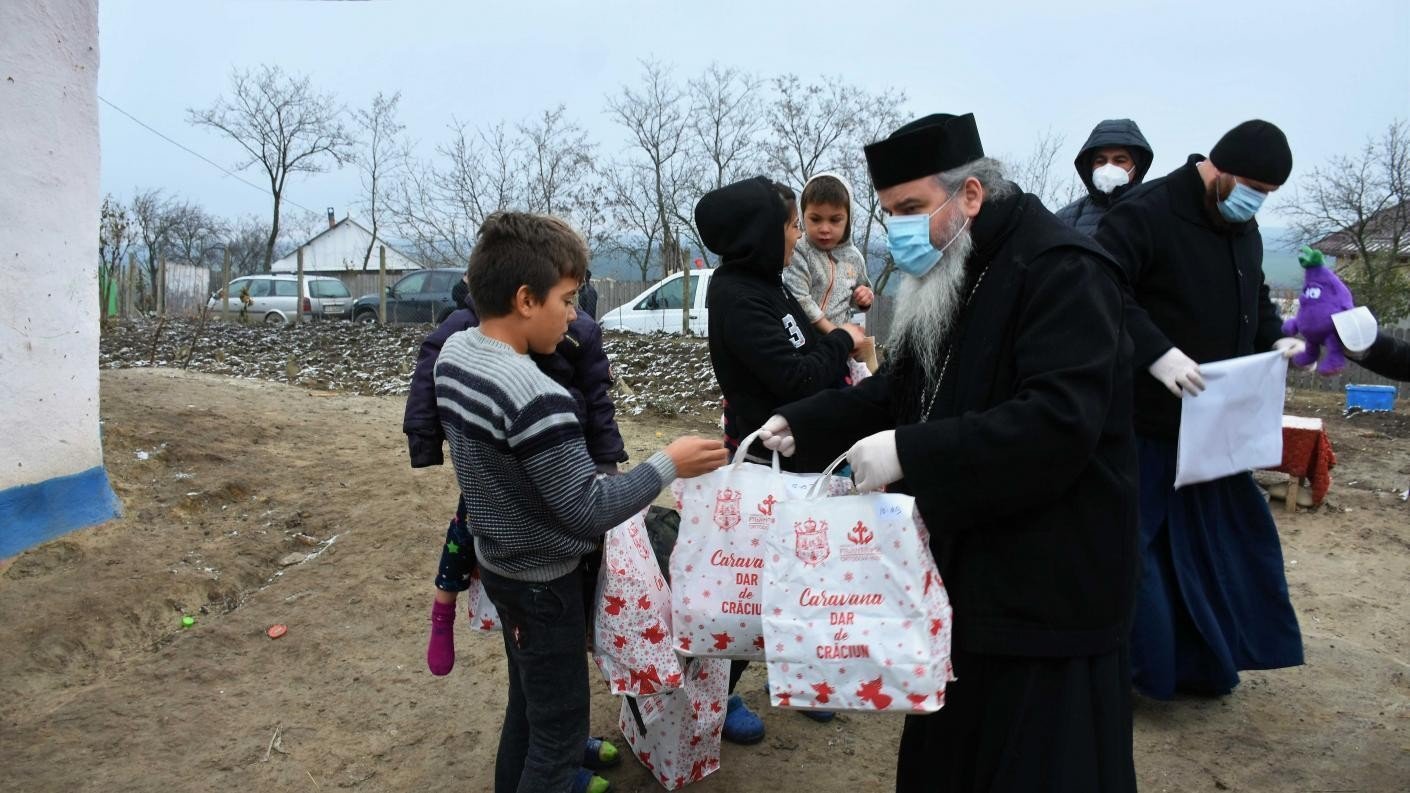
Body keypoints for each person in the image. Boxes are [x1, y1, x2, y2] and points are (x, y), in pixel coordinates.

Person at [760, 112, 1139, 792]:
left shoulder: (1063, 270)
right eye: (889, 212)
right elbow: (897, 392)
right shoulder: (951, 268)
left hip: (1049, 586)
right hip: (968, 574)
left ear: (969, 195)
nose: (899, 227)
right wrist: (799, 422)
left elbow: (1056, 424)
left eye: (910, 209)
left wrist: (908, 451)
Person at [433, 211, 727, 793]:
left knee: (528, 707)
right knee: (560, 736)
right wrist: (668, 463)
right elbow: (588, 508)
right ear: (524, 299)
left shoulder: (456, 355)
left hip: (500, 567)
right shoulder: (535, 395)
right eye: (567, 300)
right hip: (544, 585)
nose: (574, 316)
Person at [1094, 120, 1307, 700]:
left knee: (1217, 546)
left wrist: (1276, 341)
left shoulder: (1245, 227)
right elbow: (1098, 287)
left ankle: (1201, 665)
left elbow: (1252, 296)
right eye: (1251, 186)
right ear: (1217, 168)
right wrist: (1155, 352)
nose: (1255, 200)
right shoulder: (1145, 213)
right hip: (1146, 423)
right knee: (1138, 552)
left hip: (1215, 427)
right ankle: (1137, 675)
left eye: (1267, 193)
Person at [694, 175, 864, 744]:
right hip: (767, 463)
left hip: (804, 456)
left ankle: (802, 674)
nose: (799, 236)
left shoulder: (768, 284)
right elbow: (795, 375)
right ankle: (718, 694)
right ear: (763, 232)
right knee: (750, 584)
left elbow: (806, 352)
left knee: (807, 575)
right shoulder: (736, 294)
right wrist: (843, 340)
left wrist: (829, 348)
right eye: (793, 225)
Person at [782, 172, 875, 332]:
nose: (825, 229)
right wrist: (835, 333)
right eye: (816, 219)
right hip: (804, 341)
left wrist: (864, 298)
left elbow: (855, 295)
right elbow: (800, 299)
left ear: (849, 220)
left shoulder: (853, 257)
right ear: (803, 217)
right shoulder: (798, 249)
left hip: (838, 348)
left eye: (835, 220)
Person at [1055, 119, 1154, 235]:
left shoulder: (1155, 213)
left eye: (1119, 160)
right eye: (1100, 161)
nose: (1109, 167)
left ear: (1136, 166)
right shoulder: (1064, 219)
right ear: (1090, 166)